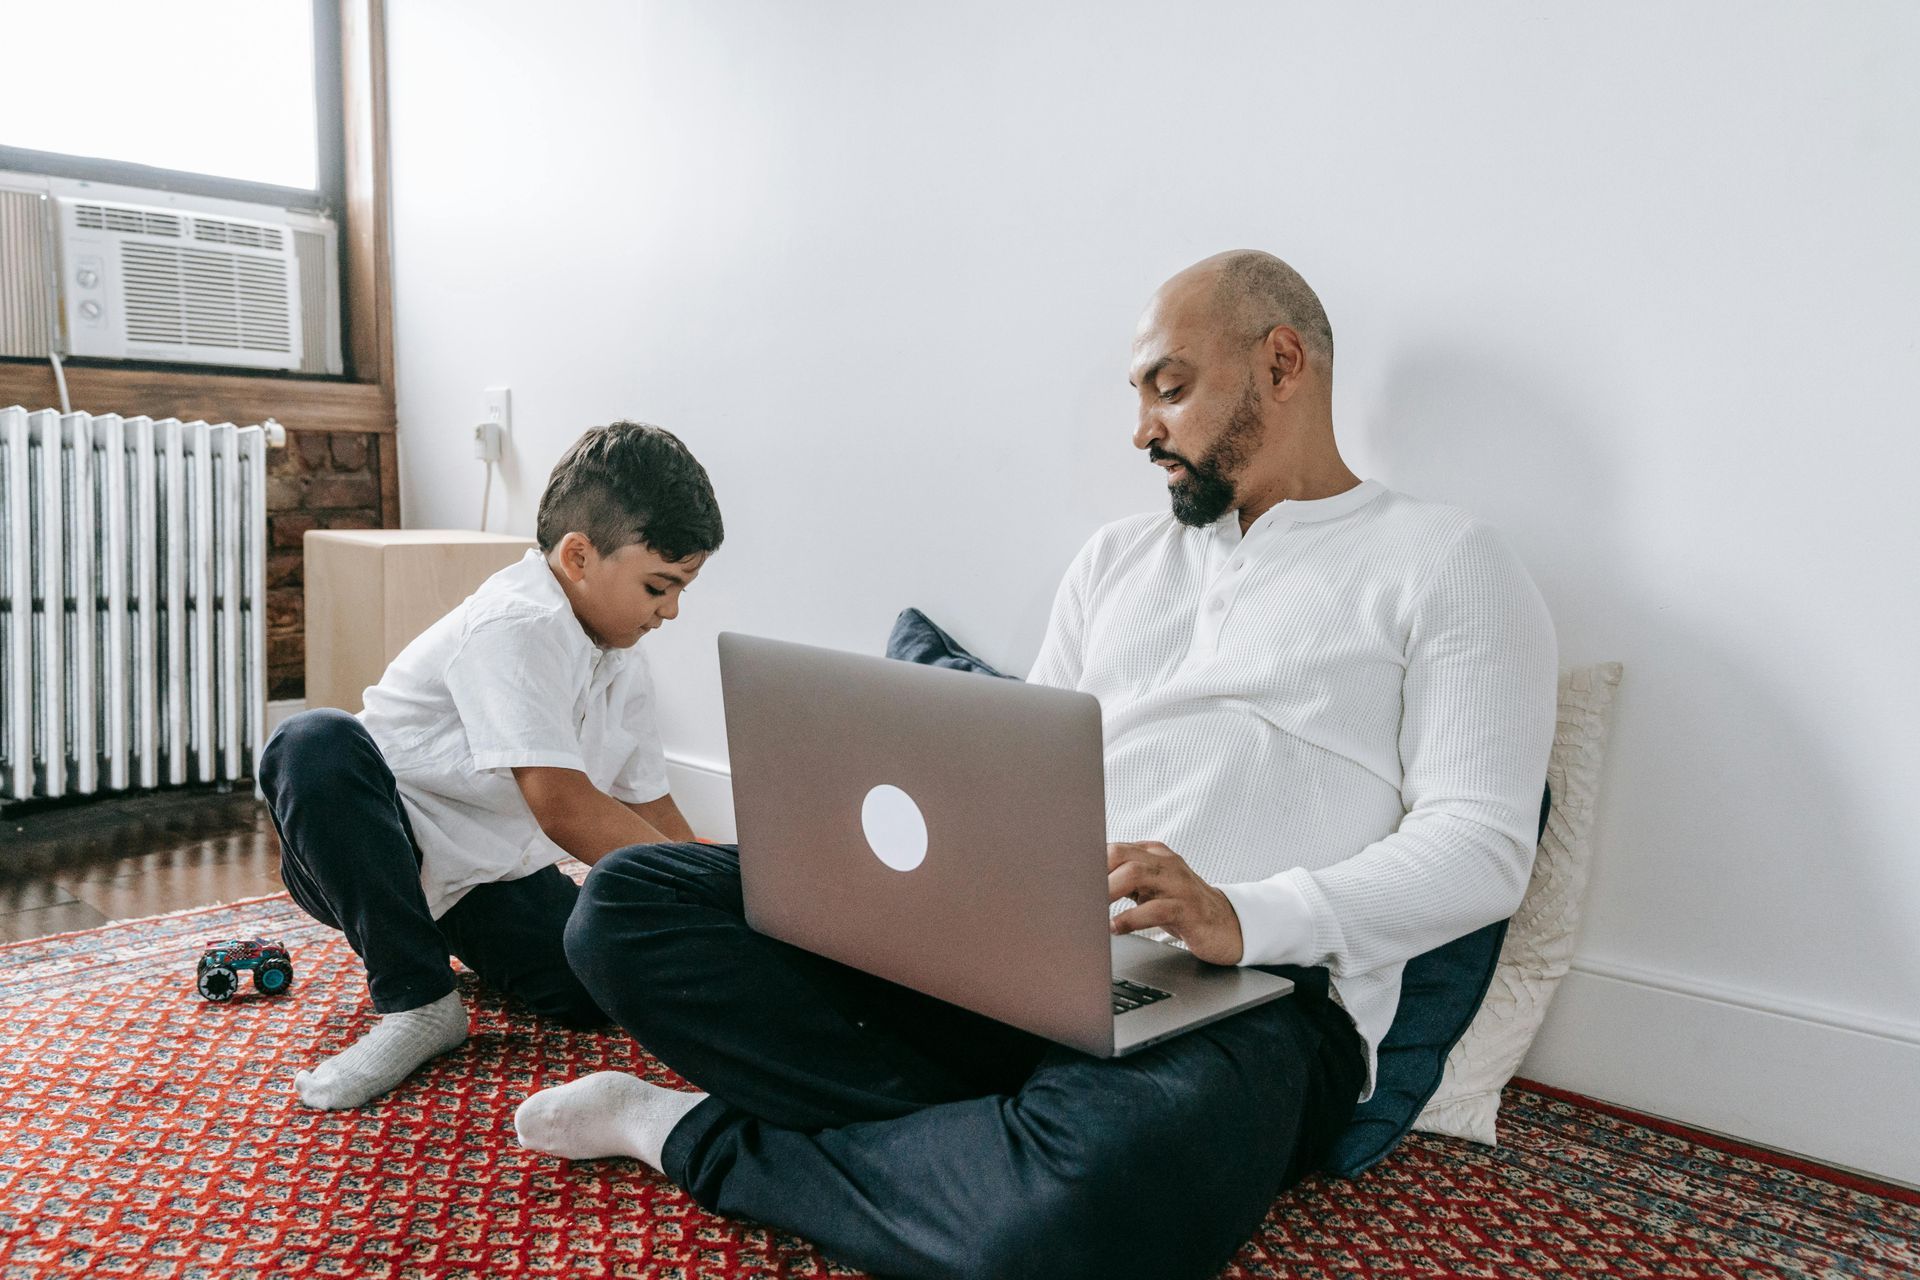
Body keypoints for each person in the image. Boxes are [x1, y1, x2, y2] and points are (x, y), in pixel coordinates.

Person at [513, 253, 1557, 1279]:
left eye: (1172, 388)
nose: (1142, 428)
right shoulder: (1114, 561)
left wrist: (1243, 911)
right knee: (626, 904)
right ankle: (986, 1145)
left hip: (1257, 997)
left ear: (1282, 363)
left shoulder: (1446, 560)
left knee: (1066, 1220)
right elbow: (1007, 775)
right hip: (1022, 949)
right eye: (1140, 394)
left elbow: (1483, 844)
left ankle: (690, 1134)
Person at [258, 421, 723, 1110]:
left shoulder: (622, 662)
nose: (673, 611)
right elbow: (561, 803)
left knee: (590, 992)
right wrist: (692, 901)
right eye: (659, 587)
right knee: (310, 741)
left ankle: (437, 938)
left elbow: (649, 806)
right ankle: (418, 1000)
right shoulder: (520, 622)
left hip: (479, 873)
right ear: (578, 557)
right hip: (371, 850)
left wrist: (722, 899)